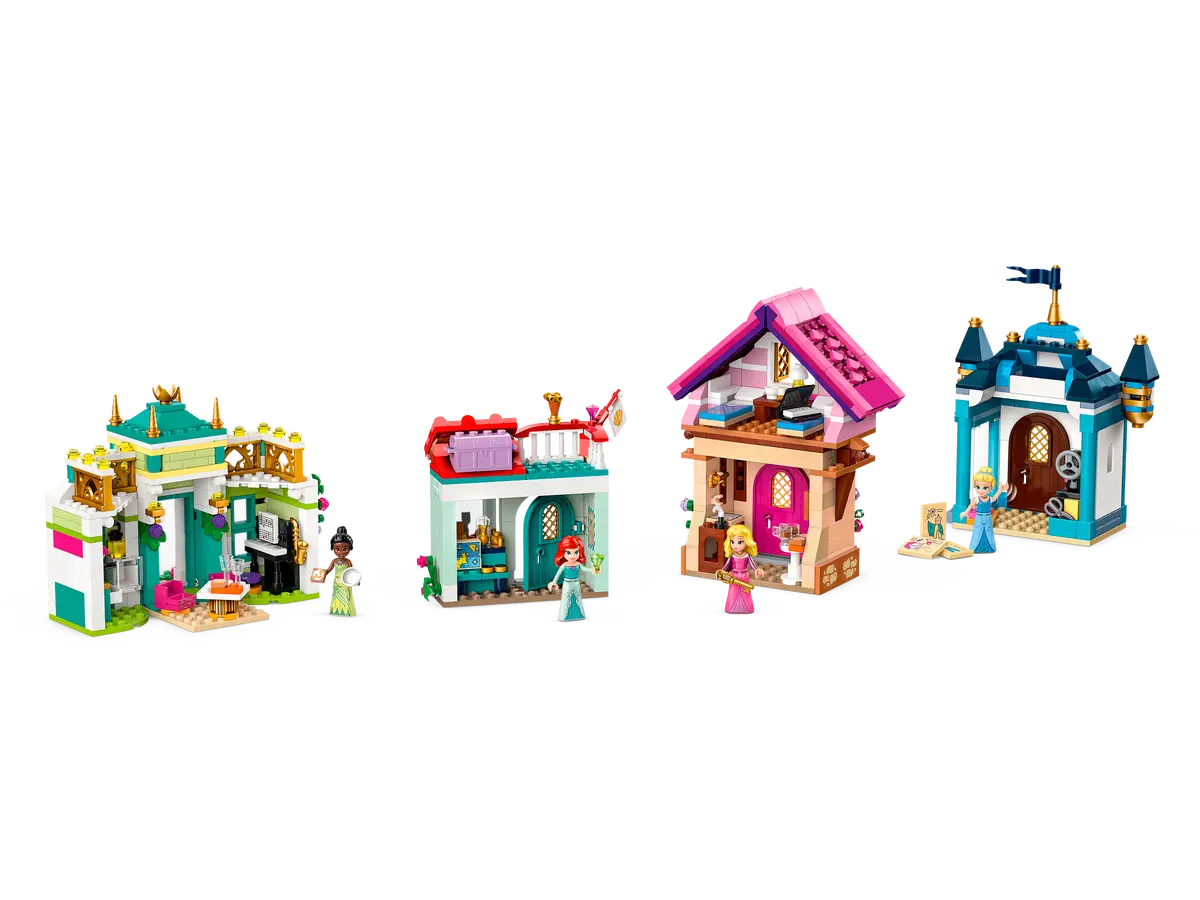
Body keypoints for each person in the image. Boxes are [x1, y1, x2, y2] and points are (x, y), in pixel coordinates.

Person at [959, 466, 1016, 555]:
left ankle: (989, 547)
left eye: (985, 488)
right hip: (979, 518)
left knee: (988, 532)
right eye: (978, 487)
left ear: (991, 488)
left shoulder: (989, 499)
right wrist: (965, 512)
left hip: (988, 518)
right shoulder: (976, 499)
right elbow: (970, 506)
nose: (981, 490)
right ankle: (976, 547)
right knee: (978, 531)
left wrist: (1001, 490)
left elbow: (995, 497)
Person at [547, 535, 594, 623]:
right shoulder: (564, 565)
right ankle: (564, 616)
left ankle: (579, 614)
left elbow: (584, 569)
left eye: (576, 552)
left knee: (578, 597)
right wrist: (554, 582)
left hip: (576, 583)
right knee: (566, 598)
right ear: (563, 553)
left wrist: (593, 570)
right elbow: (558, 574)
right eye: (568, 553)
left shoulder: (578, 564)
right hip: (567, 583)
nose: (573, 556)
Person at [721, 524, 765, 614]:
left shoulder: (747, 555)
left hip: (744, 575)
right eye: (732, 541)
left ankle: (746, 608)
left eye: (740, 542)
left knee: (745, 592)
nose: (735, 545)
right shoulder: (732, 555)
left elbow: (753, 565)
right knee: (733, 591)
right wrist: (721, 572)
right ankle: (731, 608)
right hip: (734, 576)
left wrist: (757, 570)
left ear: (747, 542)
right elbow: (726, 566)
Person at [315, 524, 359, 617]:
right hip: (336, 584)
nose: (341, 553)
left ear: (350, 549)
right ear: (333, 549)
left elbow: (351, 572)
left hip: (345, 583)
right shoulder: (334, 560)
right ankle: (336, 610)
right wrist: (322, 574)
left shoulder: (348, 561)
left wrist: (355, 580)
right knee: (336, 597)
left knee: (345, 596)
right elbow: (329, 569)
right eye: (337, 549)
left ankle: (346, 611)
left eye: (345, 549)